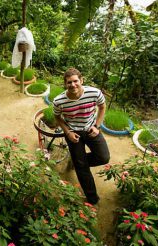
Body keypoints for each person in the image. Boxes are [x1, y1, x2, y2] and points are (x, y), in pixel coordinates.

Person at [53, 68, 110, 205]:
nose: (72, 85)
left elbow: (102, 107)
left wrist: (97, 126)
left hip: (91, 129)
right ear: (65, 84)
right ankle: (92, 198)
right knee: (81, 166)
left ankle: (77, 162)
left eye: (75, 81)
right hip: (73, 132)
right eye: (69, 82)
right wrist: (68, 132)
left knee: (103, 157)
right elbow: (57, 117)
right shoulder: (59, 101)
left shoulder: (94, 93)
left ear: (81, 80)